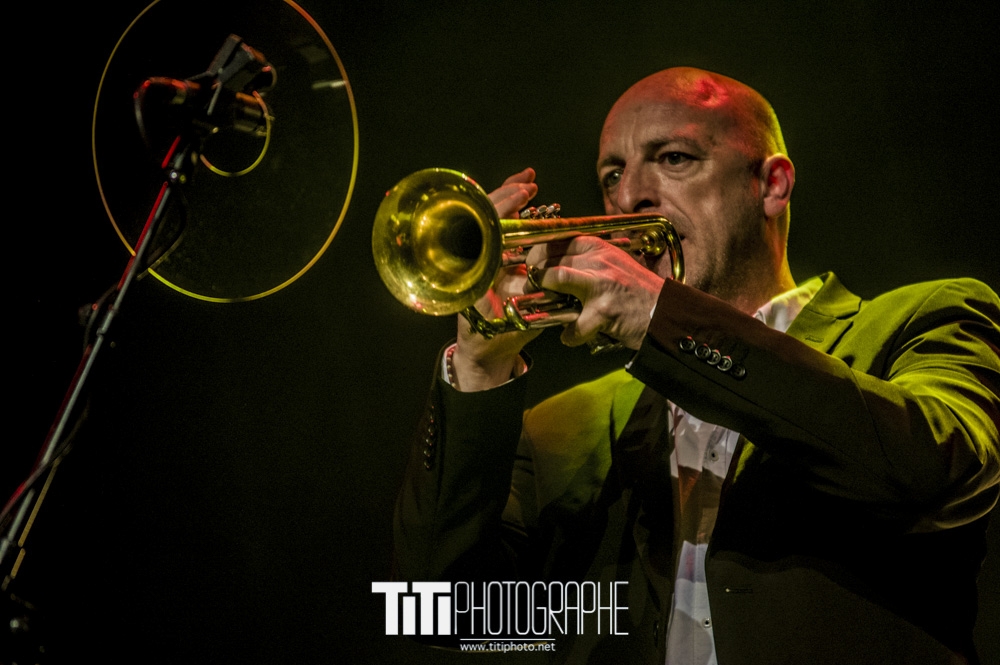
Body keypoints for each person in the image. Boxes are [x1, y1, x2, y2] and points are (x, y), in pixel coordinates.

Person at [391, 67, 1000, 664]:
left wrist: (663, 321)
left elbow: (945, 480)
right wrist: (479, 365)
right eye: (612, 175)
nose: (630, 195)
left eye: (674, 158)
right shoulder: (562, 426)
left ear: (772, 185)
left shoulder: (926, 318)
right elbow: (442, 619)